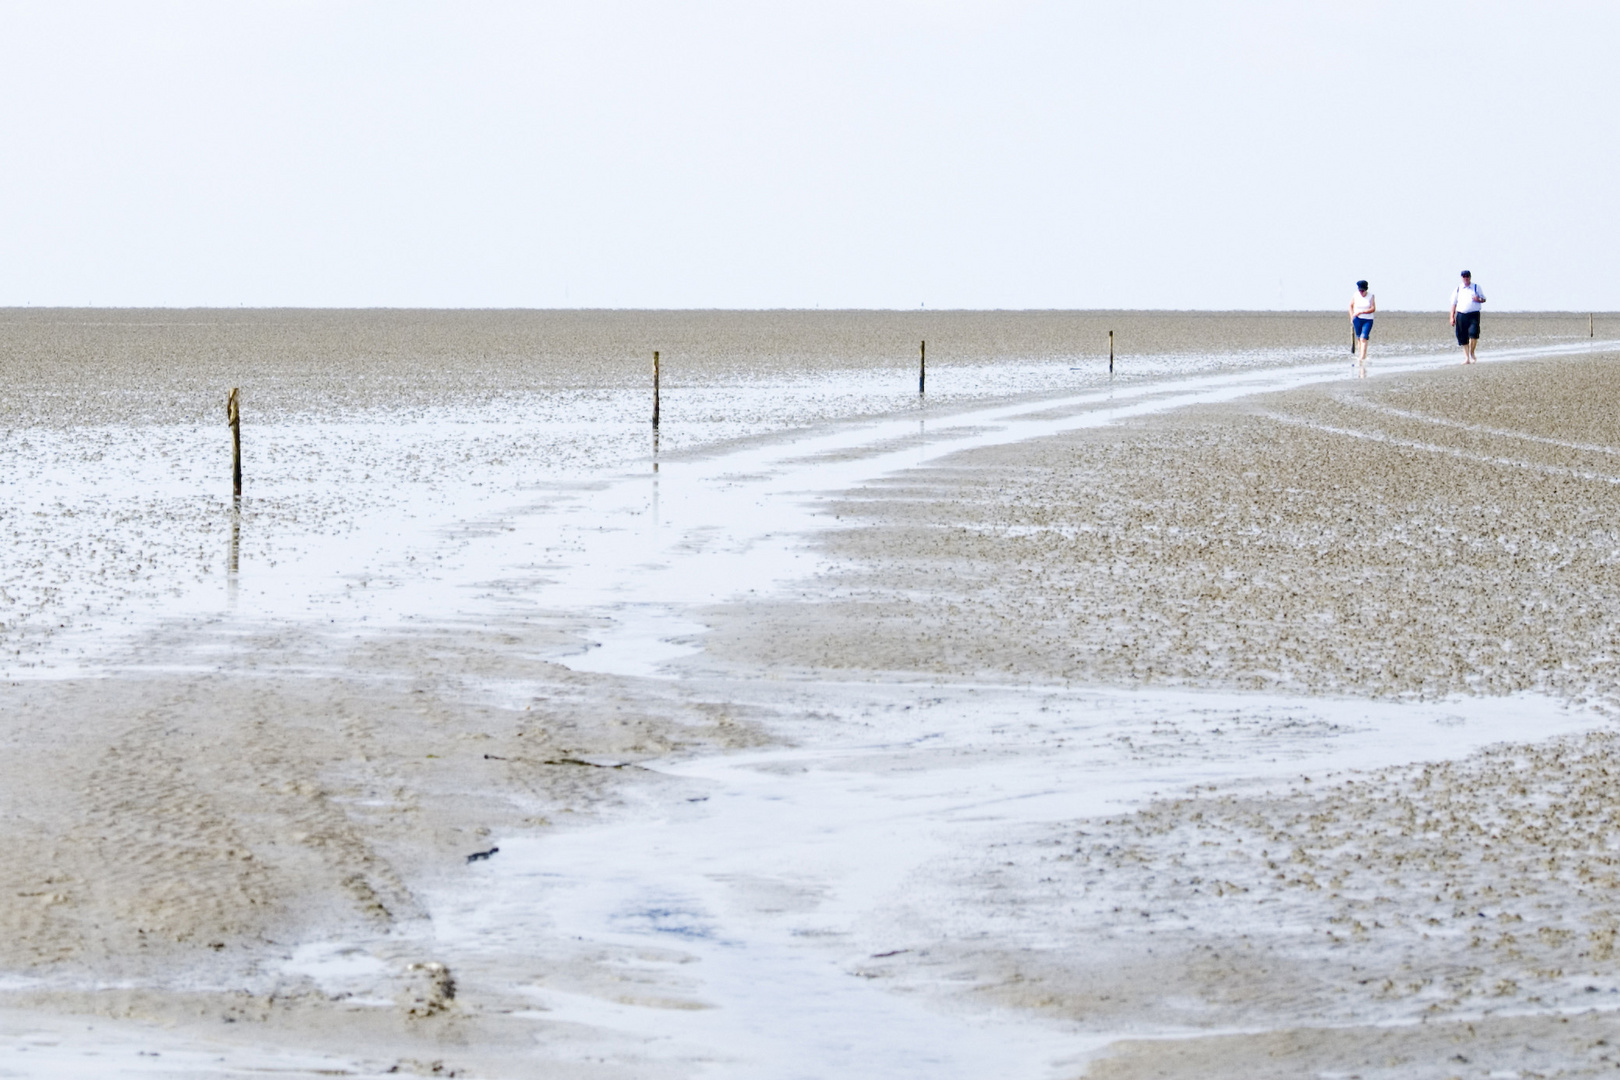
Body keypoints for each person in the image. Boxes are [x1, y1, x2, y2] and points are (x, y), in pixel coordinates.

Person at [1450, 270, 1486, 364]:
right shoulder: (1458, 289)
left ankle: (1472, 352)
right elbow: (1453, 304)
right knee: (1463, 336)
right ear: (1462, 278)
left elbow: (1484, 299)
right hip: (1461, 314)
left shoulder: (1476, 287)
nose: (1466, 278)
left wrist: (1478, 299)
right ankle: (1467, 358)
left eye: (1467, 276)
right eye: (1464, 276)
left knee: (1473, 334)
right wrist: (1452, 317)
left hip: (1473, 314)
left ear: (1470, 277)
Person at [1349, 280, 1375, 378]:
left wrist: (1362, 312)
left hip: (1368, 320)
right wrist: (1352, 317)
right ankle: (1361, 355)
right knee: (1359, 338)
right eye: (1360, 290)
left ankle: (1362, 358)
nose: (1361, 292)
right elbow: (1350, 306)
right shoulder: (1355, 295)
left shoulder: (1371, 296)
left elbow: (1373, 308)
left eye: (1363, 290)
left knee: (1364, 337)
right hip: (1357, 319)